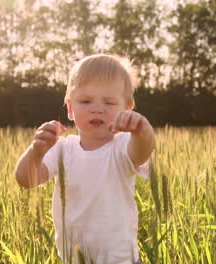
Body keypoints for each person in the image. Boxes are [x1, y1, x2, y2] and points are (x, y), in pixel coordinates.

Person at [15, 54, 155, 263]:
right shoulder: (61, 149)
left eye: (108, 102)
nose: (97, 108)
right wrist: (35, 152)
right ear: (70, 109)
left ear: (127, 109)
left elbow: (142, 152)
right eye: (85, 101)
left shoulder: (122, 146)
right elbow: (26, 180)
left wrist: (142, 130)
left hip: (120, 259)